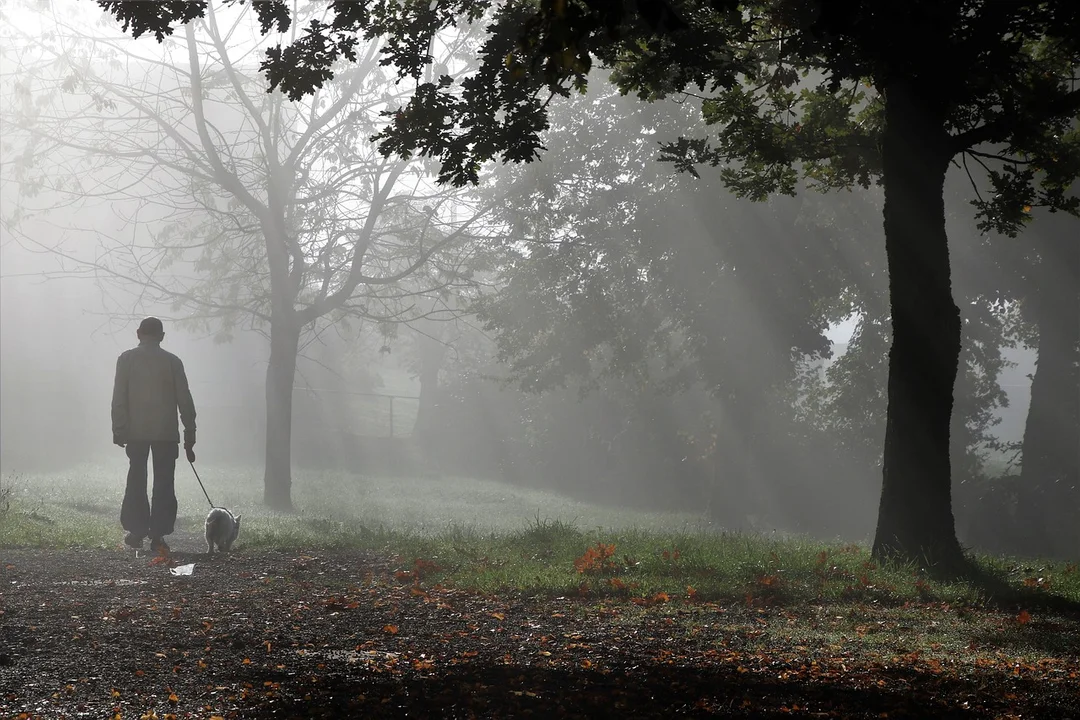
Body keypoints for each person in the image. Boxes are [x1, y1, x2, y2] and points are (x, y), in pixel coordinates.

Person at [111, 317, 197, 553]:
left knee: (136, 479)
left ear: (138, 333)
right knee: (164, 482)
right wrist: (190, 432)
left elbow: (119, 397)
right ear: (162, 336)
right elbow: (184, 399)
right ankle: (158, 534)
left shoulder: (126, 359)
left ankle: (136, 530)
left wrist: (119, 428)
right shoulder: (172, 362)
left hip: (136, 432)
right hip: (166, 433)